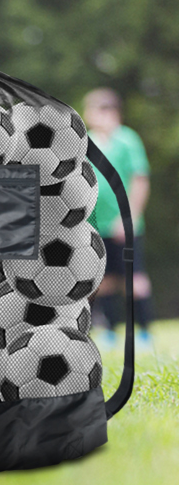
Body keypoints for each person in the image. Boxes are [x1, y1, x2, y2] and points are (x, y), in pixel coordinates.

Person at [83, 89, 154, 352]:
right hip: (97, 225)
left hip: (124, 225)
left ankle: (145, 334)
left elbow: (140, 179)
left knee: (134, 280)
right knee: (104, 281)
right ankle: (110, 333)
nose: (87, 115)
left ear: (108, 111)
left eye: (91, 109)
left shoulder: (127, 139)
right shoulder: (88, 141)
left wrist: (129, 217)